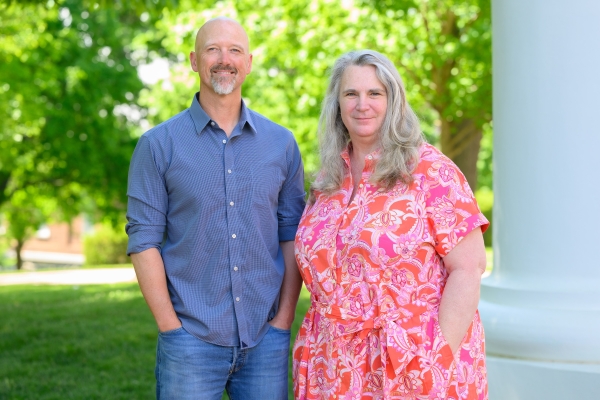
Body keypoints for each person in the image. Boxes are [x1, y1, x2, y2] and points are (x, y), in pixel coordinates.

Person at [125, 17, 305, 400]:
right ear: (194, 60)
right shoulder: (158, 145)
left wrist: (283, 319)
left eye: (235, 50)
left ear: (250, 63)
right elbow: (143, 241)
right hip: (189, 340)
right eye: (213, 50)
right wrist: (170, 327)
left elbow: (292, 235)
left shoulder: (282, 145)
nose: (225, 59)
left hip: (265, 340)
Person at [292, 50, 489, 399]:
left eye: (375, 93)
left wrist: (436, 358)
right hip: (334, 366)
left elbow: (469, 268)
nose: (361, 104)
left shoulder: (430, 171)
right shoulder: (326, 181)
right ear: (337, 104)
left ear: (393, 100)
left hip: (411, 365)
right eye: (351, 94)